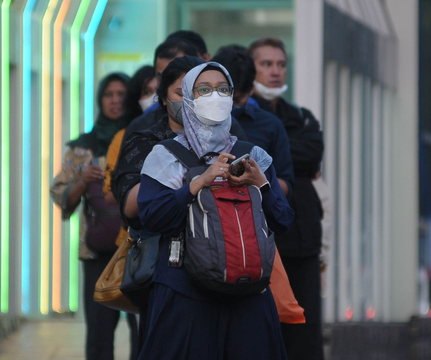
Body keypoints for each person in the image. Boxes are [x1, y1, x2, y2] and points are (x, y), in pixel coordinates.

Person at [136, 61, 294, 359]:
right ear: (188, 97)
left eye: (223, 90)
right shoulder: (165, 156)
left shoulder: (253, 156)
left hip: (248, 292)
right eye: (204, 89)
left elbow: (283, 220)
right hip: (185, 292)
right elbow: (153, 218)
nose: (215, 96)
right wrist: (196, 185)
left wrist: (261, 184)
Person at [111, 56, 206, 353]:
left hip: (219, 267)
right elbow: (129, 205)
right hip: (168, 269)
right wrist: (186, 179)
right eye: (181, 92)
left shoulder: (230, 139)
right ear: (163, 98)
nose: (190, 100)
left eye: (198, 92)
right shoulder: (146, 139)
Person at [50, 72, 138, 360]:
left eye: (121, 94)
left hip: (138, 248)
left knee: (144, 329)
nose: (115, 100)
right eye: (108, 95)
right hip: (97, 252)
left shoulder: (142, 138)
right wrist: (82, 181)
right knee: (99, 331)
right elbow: (60, 193)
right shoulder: (83, 147)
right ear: (100, 100)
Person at [248, 37, 325, 360]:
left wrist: (274, 152)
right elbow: (250, 154)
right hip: (263, 242)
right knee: (264, 334)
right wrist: (283, 155)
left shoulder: (302, 116)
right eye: (266, 64)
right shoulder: (243, 118)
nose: (275, 71)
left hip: (303, 239)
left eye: (280, 64)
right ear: (250, 70)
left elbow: (312, 153)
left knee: (305, 334)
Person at [211, 45, 294, 198]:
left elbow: (287, 186)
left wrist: (257, 180)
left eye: (236, 100)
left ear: (251, 90)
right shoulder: (193, 123)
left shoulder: (270, 125)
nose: (229, 107)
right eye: (224, 95)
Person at [103, 65, 157, 204]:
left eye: (159, 91)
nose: (154, 98)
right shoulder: (123, 136)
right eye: (147, 92)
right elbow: (109, 195)